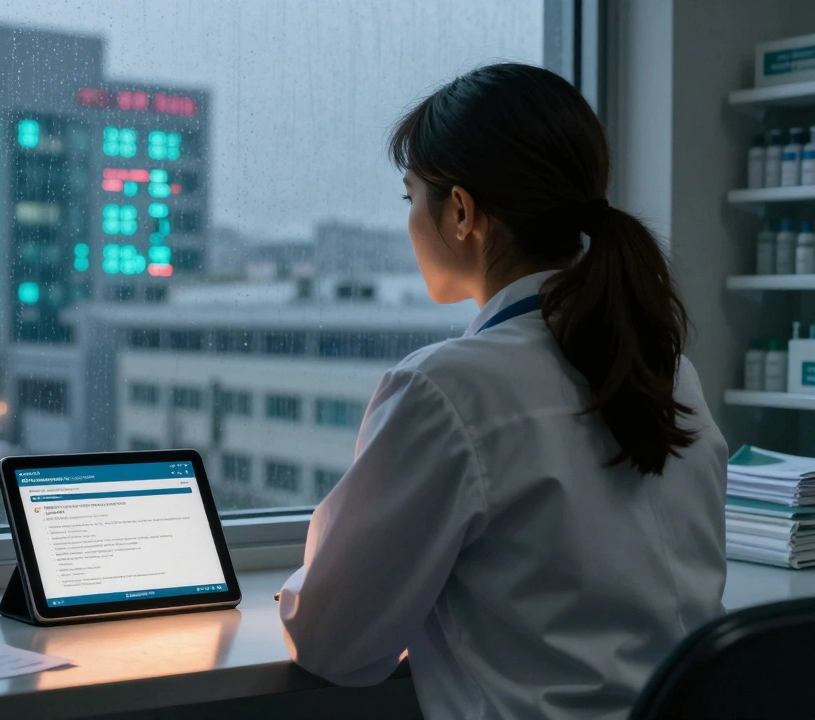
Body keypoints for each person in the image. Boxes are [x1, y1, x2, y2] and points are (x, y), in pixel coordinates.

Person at [277, 63, 727, 720]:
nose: (410, 223)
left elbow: (332, 645)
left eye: (411, 199)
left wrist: (328, 556)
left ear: (461, 212)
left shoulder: (446, 389)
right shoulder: (667, 369)